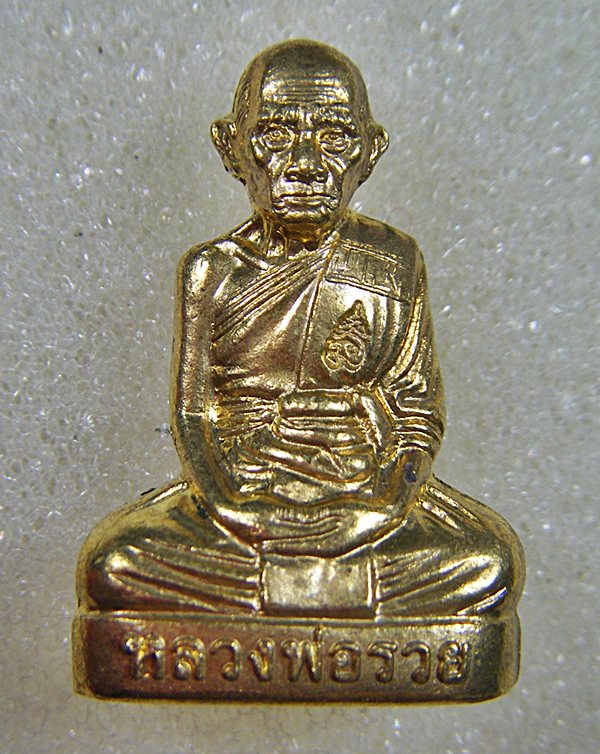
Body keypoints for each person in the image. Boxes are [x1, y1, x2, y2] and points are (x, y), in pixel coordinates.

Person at [77, 40, 524, 619]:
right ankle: (334, 599)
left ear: (370, 151)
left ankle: (279, 599)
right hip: (243, 490)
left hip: (366, 491)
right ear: (231, 146)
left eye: (334, 137)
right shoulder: (211, 270)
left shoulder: (392, 259)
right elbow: (193, 416)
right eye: (276, 135)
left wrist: (384, 508)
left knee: (489, 562)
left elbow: (416, 411)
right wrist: (233, 508)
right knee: (114, 564)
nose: (306, 163)